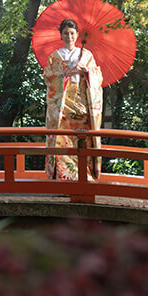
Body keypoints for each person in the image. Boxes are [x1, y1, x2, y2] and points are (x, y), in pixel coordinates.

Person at [42, 18, 104, 180]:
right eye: (65, 33)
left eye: (72, 33)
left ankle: (84, 175)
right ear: (61, 36)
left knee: (82, 140)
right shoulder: (55, 57)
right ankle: (63, 176)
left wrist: (87, 72)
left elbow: (98, 78)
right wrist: (65, 74)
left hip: (82, 103)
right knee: (62, 140)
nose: (69, 36)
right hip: (62, 105)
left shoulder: (86, 55)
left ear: (76, 35)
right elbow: (48, 77)